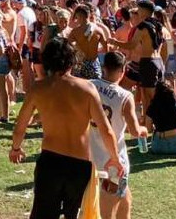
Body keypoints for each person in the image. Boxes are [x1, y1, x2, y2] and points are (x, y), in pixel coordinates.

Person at [10, 38, 123, 219]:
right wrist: (115, 158)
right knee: (71, 214)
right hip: (79, 164)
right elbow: (106, 129)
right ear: (72, 60)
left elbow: (20, 126)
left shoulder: (38, 89)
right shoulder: (87, 89)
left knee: (43, 213)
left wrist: (16, 148)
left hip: (51, 161)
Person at [89, 52, 148, 219]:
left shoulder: (89, 86)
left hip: (92, 154)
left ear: (103, 67)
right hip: (114, 160)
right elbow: (135, 131)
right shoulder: (124, 96)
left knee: (125, 198)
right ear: (123, 70)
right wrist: (143, 129)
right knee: (108, 209)